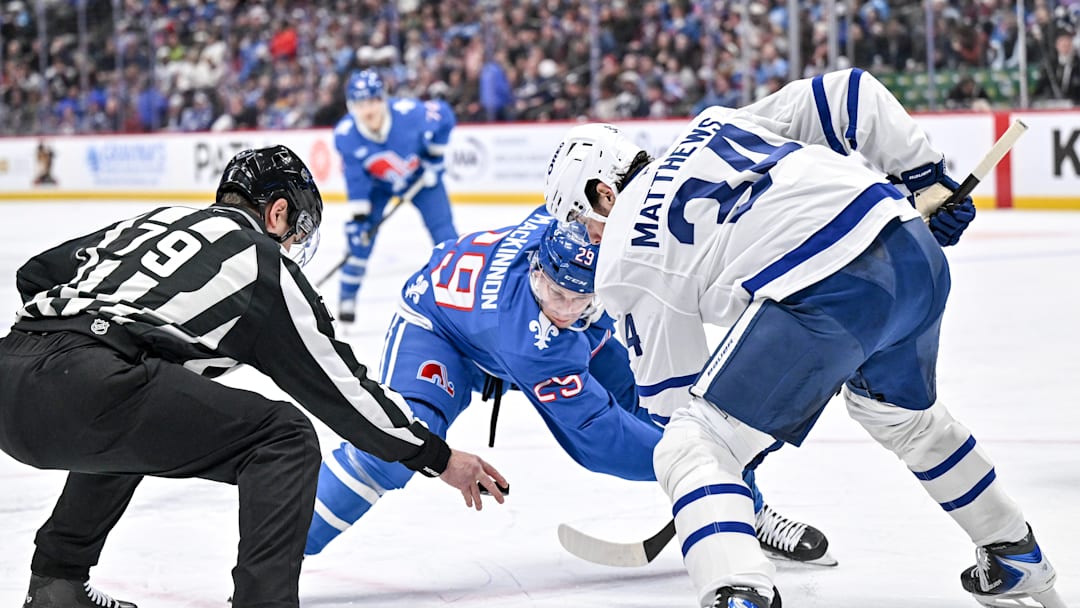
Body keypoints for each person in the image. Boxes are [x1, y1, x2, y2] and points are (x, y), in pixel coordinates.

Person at [543, 68, 1064, 608]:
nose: (590, 237)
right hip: (910, 248)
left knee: (691, 446)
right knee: (896, 415)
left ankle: (736, 593)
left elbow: (674, 405)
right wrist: (923, 178)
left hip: (826, 291)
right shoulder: (713, 125)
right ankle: (1013, 551)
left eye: (583, 222)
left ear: (604, 193)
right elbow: (851, 93)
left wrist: (712, 484)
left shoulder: (624, 255)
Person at [0, 145, 506, 608]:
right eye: (298, 229)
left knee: (132, 409)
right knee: (284, 437)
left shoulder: (156, 220)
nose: (294, 243)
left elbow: (37, 275)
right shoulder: (264, 265)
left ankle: (57, 584)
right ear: (278, 212)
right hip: (88, 388)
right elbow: (345, 394)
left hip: (12, 370)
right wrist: (438, 457)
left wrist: (100, 343)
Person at [306, 210, 834, 569]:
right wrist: (695, 464)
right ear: (536, 268)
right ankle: (287, 541)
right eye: (550, 290)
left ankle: (745, 506)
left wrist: (702, 455)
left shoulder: (559, 232)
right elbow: (602, 441)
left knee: (657, 404)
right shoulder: (537, 343)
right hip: (438, 329)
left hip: (505, 326)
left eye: (575, 297)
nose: (557, 308)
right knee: (398, 446)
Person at [334, 69, 459, 322]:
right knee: (360, 241)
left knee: (444, 233)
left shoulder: (409, 113)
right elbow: (356, 180)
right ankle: (347, 296)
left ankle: (461, 289)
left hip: (421, 179)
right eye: (360, 104)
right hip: (378, 187)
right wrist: (359, 219)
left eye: (373, 101)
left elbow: (444, 115)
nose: (368, 110)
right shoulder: (346, 135)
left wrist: (434, 157)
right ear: (350, 106)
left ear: (384, 98)